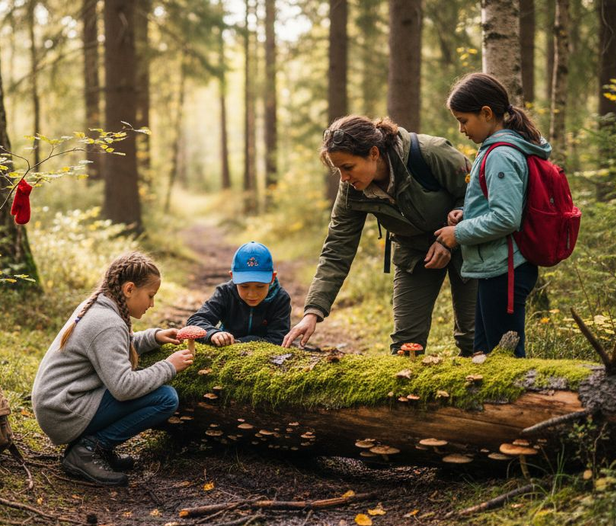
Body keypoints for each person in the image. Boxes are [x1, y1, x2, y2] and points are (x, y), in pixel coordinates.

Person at [282, 115, 477, 355]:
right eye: (338, 170)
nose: (343, 178)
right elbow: (336, 249)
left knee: (473, 336)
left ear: (374, 153)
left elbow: (478, 195)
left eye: (348, 167)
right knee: (406, 345)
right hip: (414, 252)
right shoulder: (352, 191)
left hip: (465, 241)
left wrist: (452, 235)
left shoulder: (430, 152)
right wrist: (313, 312)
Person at [31, 251, 194, 486]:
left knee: (161, 394)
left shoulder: (99, 307)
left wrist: (154, 337)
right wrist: (169, 366)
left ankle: (94, 448)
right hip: (64, 411)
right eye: (150, 295)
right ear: (129, 289)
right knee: (166, 398)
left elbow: (114, 350)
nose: (152, 303)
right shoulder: (107, 322)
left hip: (60, 404)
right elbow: (123, 388)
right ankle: (88, 450)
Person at [434, 72, 549, 358]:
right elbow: (502, 205)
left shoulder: (500, 154)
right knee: (484, 354)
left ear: (486, 113)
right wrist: (467, 214)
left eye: (464, 120)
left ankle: (522, 405)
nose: (461, 129)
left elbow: (506, 218)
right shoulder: (495, 151)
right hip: (496, 268)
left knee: (504, 360)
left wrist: (457, 234)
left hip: (505, 271)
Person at [187, 241, 292, 346]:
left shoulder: (280, 299)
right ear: (232, 276)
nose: (252, 294)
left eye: (260, 286)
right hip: (225, 352)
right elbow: (195, 321)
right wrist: (213, 333)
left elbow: (279, 339)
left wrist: (240, 343)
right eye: (244, 286)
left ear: (272, 278)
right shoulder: (225, 293)